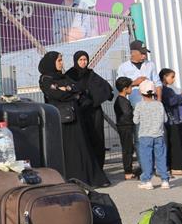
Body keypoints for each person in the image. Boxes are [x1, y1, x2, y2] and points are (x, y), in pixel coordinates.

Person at [38, 51, 109, 187]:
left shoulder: (62, 77)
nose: (61, 63)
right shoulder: (46, 79)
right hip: (62, 119)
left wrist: (67, 89)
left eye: (61, 60)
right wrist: (70, 92)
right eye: (59, 61)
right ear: (51, 63)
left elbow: (77, 88)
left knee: (81, 149)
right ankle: (73, 179)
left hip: (75, 118)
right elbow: (57, 95)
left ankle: (89, 179)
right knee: (69, 150)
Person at [66, 50, 114, 170]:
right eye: (80, 60)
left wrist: (93, 98)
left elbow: (105, 88)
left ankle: (98, 167)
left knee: (97, 138)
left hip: (94, 112)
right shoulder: (70, 75)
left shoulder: (91, 74)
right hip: (79, 112)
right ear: (75, 61)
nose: (83, 62)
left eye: (85, 60)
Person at [132, 81, 169, 190]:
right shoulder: (159, 104)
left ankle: (147, 181)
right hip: (159, 135)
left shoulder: (139, 105)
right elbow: (165, 119)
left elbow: (135, 121)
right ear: (154, 92)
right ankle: (165, 180)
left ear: (140, 92)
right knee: (161, 158)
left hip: (145, 136)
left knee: (146, 159)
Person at [160, 68, 182, 175]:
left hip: (171, 120)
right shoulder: (165, 90)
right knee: (175, 144)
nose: (174, 79)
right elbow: (173, 101)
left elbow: (178, 102)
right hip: (171, 120)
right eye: (172, 77)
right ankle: (176, 167)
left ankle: (172, 166)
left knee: (172, 144)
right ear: (164, 77)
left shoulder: (166, 89)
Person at [115, 40, 160, 106]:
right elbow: (120, 87)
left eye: (145, 53)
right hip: (134, 106)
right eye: (142, 53)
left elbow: (158, 83)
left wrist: (159, 100)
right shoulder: (123, 67)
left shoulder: (150, 64)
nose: (144, 56)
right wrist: (134, 83)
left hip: (151, 104)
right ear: (133, 53)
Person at [114, 76, 136, 180]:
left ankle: (129, 170)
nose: (132, 89)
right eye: (131, 87)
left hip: (124, 126)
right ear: (125, 88)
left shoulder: (121, 100)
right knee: (127, 149)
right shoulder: (122, 101)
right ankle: (128, 172)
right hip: (125, 127)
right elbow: (127, 114)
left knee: (128, 148)